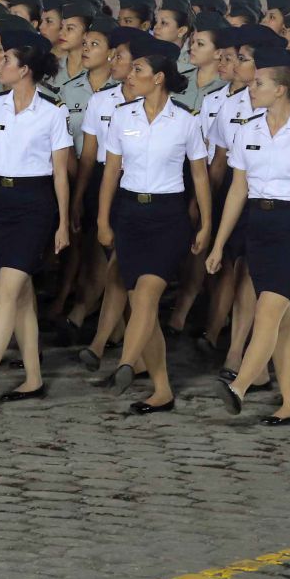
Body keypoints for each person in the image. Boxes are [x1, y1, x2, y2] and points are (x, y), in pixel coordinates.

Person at [206, 48, 290, 425]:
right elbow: (237, 191)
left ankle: (240, 385)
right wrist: (218, 243)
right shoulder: (247, 131)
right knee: (281, 323)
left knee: (268, 310)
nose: (251, 87)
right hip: (258, 228)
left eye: (259, 83)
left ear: (280, 90)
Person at [0, 30, 72, 402]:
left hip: (34, 203)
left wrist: (64, 222)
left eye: (6, 60)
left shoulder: (53, 113)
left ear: (24, 70)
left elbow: (60, 173)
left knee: (7, 289)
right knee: (20, 298)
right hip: (0, 202)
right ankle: (33, 379)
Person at [94, 38, 211, 413]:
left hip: (168, 217)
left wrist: (206, 223)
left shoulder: (186, 122)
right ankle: (162, 389)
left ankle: (127, 363)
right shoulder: (122, 117)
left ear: (158, 78)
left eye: (138, 70)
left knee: (146, 295)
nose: (130, 75)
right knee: (140, 303)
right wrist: (102, 218)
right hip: (129, 214)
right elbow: (111, 171)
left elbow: (200, 176)